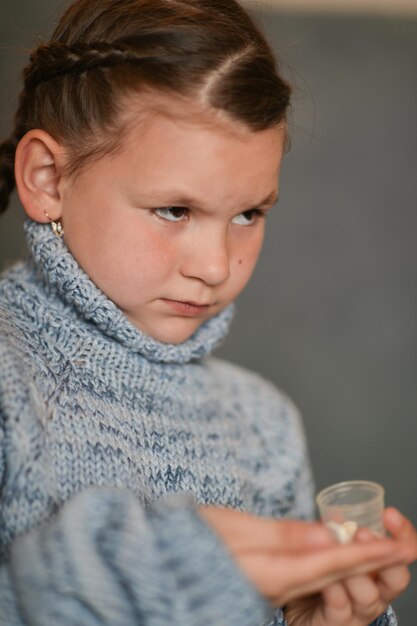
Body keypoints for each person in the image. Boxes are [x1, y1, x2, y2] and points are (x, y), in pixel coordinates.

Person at [0, 1, 415, 624]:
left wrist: (315, 619)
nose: (217, 267)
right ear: (49, 178)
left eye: (249, 214)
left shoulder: (264, 426)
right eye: (175, 210)